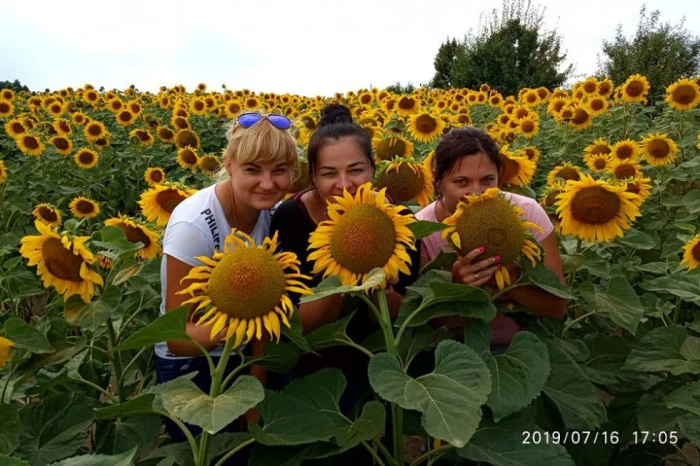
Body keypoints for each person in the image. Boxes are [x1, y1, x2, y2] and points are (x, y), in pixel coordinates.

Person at [154, 112, 298, 442]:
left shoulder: (274, 214)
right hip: (190, 368)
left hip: (247, 358)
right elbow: (179, 338)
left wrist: (256, 390)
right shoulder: (193, 225)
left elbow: (268, 315)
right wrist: (247, 316)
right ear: (229, 164)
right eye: (253, 169)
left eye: (279, 171)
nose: (267, 182)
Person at [270, 104, 421, 375]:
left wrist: (382, 288)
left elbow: (408, 319)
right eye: (329, 173)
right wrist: (343, 264)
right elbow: (296, 329)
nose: (344, 184)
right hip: (312, 362)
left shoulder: (397, 220)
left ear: (373, 169)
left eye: (355, 170)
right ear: (313, 176)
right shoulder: (289, 219)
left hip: (382, 360)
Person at [417, 127, 567, 350]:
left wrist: (508, 282)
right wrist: (456, 289)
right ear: (439, 184)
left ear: (499, 178)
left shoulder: (526, 213)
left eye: (487, 180)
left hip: (524, 341)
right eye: (461, 182)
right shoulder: (422, 230)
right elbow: (427, 322)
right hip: (458, 348)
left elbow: (558, 306)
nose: (477, 193)